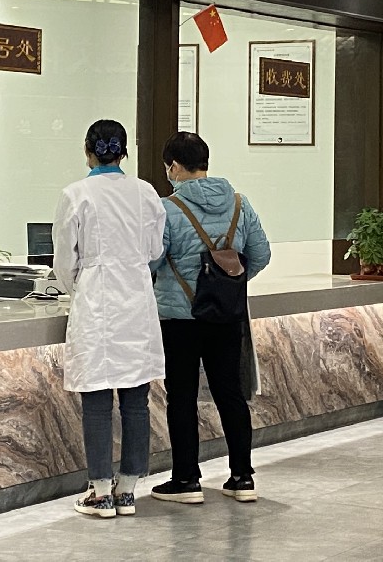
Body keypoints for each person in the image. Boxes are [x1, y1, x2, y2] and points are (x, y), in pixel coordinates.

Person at [52, 120, 166, 518]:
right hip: (136, 301)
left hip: (96, 300)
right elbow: (155, 250)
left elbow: (64, 261)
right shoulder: (146, 192)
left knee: (97, 401)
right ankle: (128, 490)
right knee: (136, 399)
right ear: (124, 153)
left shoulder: (76, 194)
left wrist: (80, 287)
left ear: (88, 152)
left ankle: (100, 492)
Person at [149, 132, 271, 504]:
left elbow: (153, 260)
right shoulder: (239, 203)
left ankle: (186, 480)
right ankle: (242, 477)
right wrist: (226, 284)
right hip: (226, 315)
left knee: (181, 396)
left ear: (173, 166)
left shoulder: (167, 209)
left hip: (179, 317)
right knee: (230, 392)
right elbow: (261, 254)